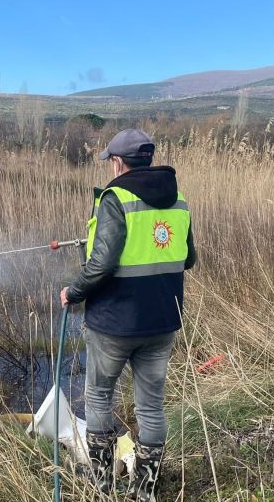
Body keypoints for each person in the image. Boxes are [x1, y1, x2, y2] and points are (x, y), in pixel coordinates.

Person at [60, 128, 196, 501]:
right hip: (163, 322)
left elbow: (102, 264)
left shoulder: (114, 198)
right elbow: (189, 258)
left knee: (100, 397)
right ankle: (144, 491)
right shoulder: (179, 201)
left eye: (112, 162)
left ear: (119, 163)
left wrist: (72, 291)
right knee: (150, 405)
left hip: (114, 324)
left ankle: (101, 486)